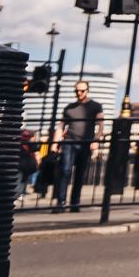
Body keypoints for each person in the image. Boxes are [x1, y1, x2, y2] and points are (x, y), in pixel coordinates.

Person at [54, 80, 104, 212]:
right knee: (65, 171)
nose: (79, 93)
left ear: (87, 90)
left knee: (80, 174)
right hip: (69, 142)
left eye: (82, 90)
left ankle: (75, 203)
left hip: (85, 143)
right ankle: (61, 202)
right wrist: (55, 143)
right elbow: (61, 126)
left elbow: (100, 125)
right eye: (77, 90)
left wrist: (96, 140)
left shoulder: (95, 106)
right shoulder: (69, 108)